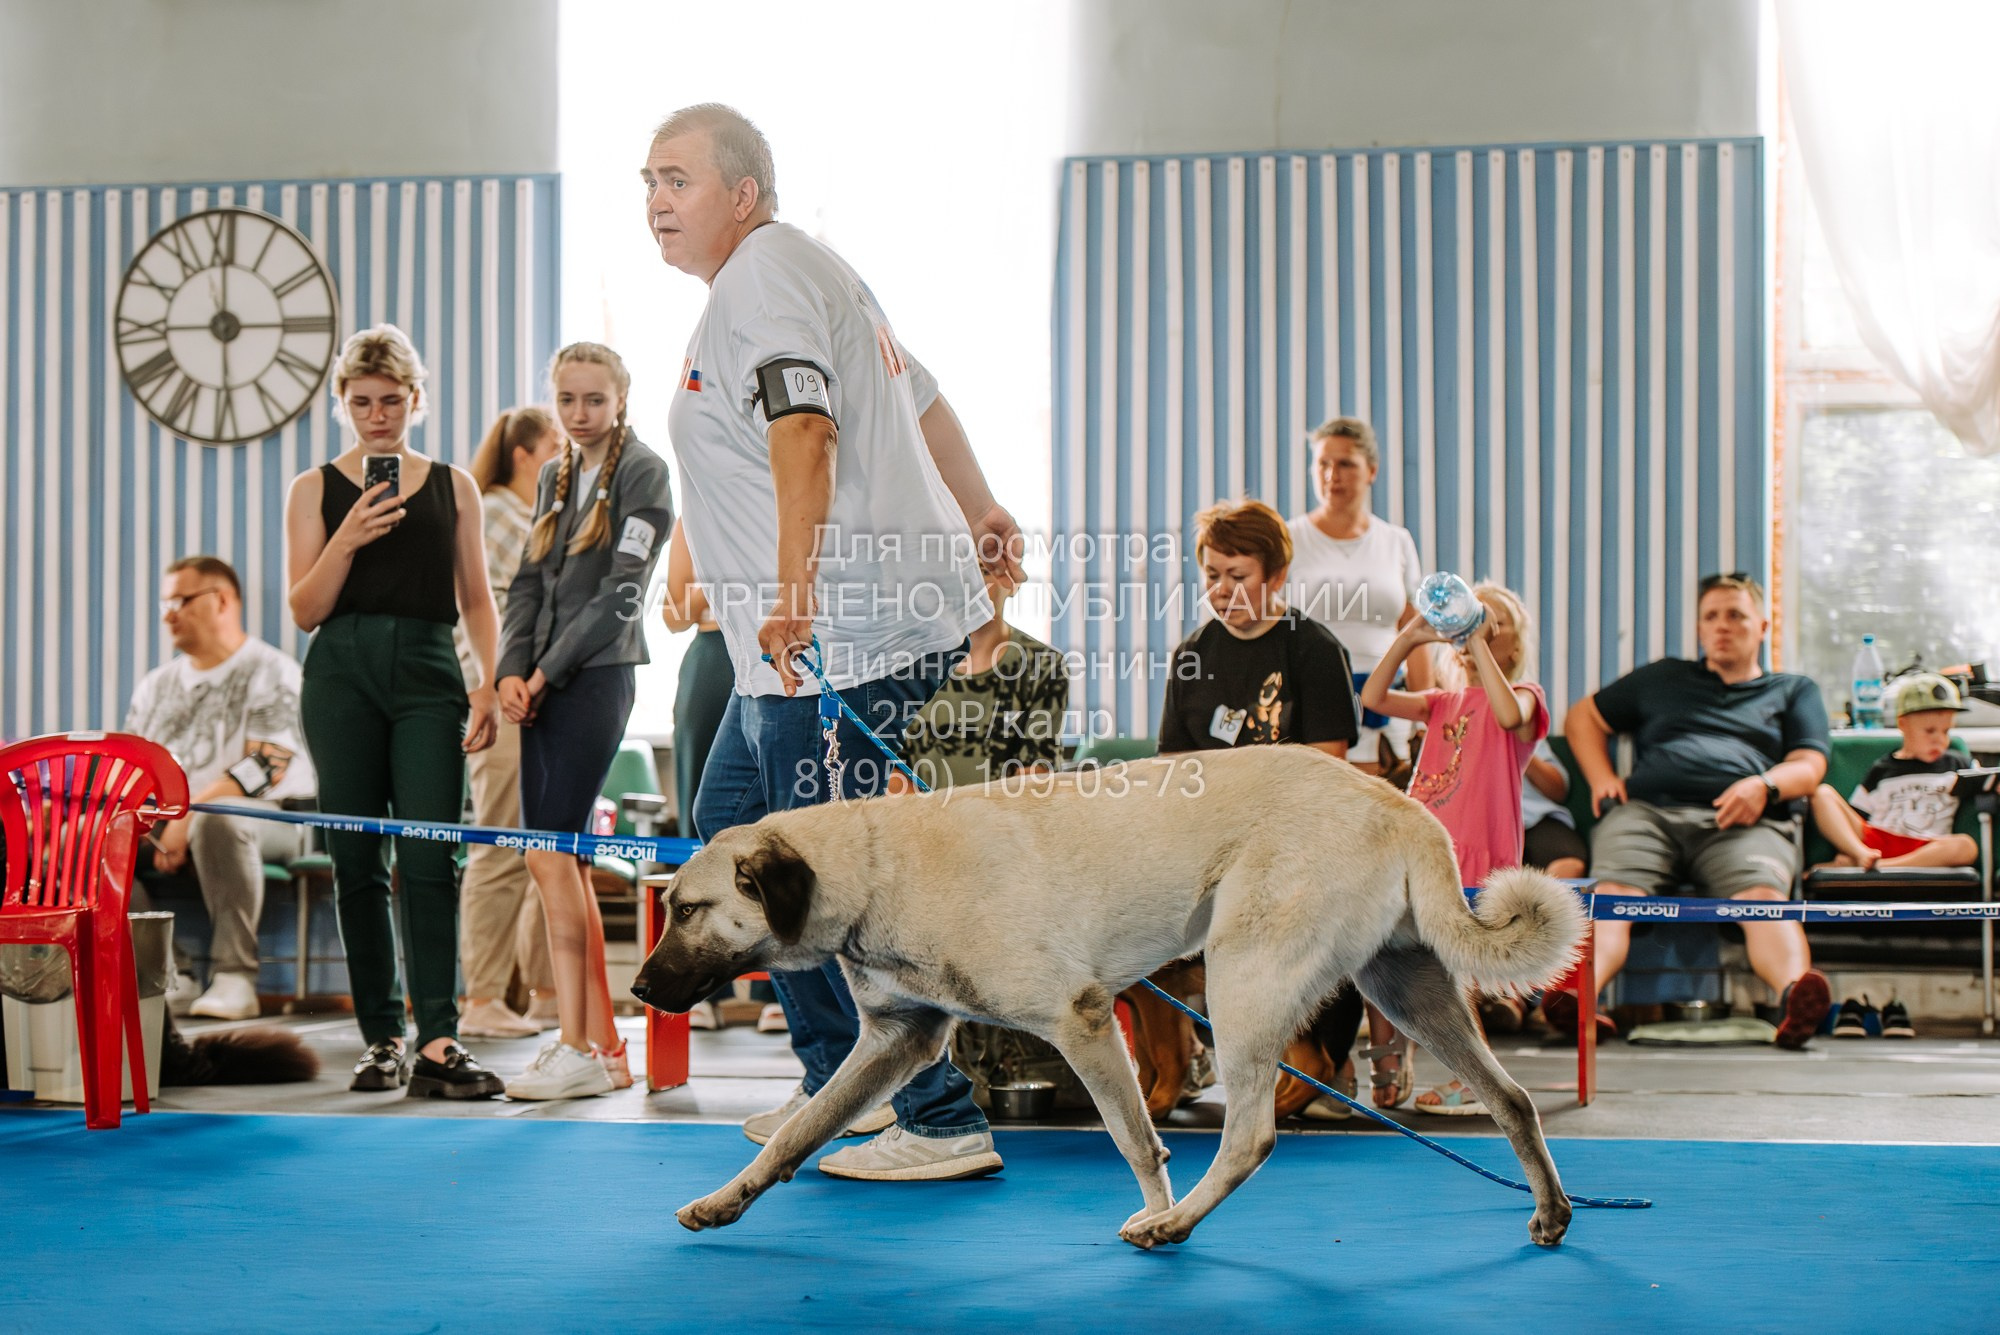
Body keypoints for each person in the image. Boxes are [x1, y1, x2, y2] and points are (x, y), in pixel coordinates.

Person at [646, 101, 1024, 1181]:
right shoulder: (803, 273)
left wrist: (795, 590)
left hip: (833, 642)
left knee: (832, 889)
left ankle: (939, 1118)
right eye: (647, 183)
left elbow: (803, 429)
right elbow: (925, 396)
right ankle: (835, 1084)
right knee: (723, 825)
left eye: (677, 180)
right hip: (798, 650)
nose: (656, 202)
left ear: (744, 194)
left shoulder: (764, 277)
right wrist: (982, 505)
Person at [284, 323, 505, 1099]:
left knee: (429, 854)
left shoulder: (454, 485)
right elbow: (304, 609)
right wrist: (346, 538)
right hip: (339, 671)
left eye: (392, 401)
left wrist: (486, 683)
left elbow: (477, 597)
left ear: (417, 399)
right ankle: (381, 1036)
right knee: (355, 860)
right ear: (343, 402)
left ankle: (439, 1037)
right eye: (361, 401)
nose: (377, 415)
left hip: (428, 668)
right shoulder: (313, 488)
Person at [497, 342, 674, 1101]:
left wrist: (544, 672)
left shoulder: (645, 472)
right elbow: (529, 580)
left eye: (594, 400)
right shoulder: (552, 475)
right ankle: (599, 1048)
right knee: (553, 859)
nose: (579, 414)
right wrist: (510, 668)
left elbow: (620, 595)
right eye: (566, 400)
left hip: (597, 677)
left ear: (621, 398)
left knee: (550, 854)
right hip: (537, 682)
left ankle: (579, 1043)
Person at [1556, 572, 1833, 1050]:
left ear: (1762, 626)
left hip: (1744, 823)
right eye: (1710, 617)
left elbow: (1810, 765)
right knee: (1614, 895)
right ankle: (1577, 1002)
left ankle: (1795, 1002)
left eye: (1735, 615)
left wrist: (1764, 787)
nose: (1721, 626)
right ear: (1700, 629)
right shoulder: (1664, 677)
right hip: (1647, 815)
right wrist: (1602, 778)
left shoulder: (1792, 690)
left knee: (1762, 898)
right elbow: (1582, 717)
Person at [1156, 499, 1363, 1118]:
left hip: (1294, 847)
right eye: (1212, 575)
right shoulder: (1192, 653)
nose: (1222, 591)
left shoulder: (1315, 650)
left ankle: (1321, 1057)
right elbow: (1175, 769)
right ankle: (1180, 1061)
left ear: (1275, 576)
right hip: (1211, 846)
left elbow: (1326, 770)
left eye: (1237, 576)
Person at [1361, 580, 1546, 1115]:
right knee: (1403, 958)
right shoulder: (1442, 702)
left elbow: (1510, 718)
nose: (1482, 628)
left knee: (1456, 971)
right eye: (1475, 620)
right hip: (1423, 851)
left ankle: (1478, 1081)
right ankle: (1400, 1059)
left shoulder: (1527, 697)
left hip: (1479, 850)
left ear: (1514, 643)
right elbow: (1373, 698)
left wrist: (1478, 638)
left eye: (1498, 621)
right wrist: (1413, 637)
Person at [126, 555, 316, 1020]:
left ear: (223, 600)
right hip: (172, 820)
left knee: (222, 819)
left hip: (267, 817)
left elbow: (266, 766)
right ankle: (167, 973)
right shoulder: (156, 685)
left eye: (181, 600)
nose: (169, 612)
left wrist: (187, 813)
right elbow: (132, 771)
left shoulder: (271, 669)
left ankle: (236, 978)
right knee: (94, 843)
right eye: (165, 602)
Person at [455, 406, 564, 1041]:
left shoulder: (536, 517)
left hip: (535, 693)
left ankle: (544, 992)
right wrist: (493, 687)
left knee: (541, 850)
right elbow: (471, 608)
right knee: (498, 845)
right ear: (524, 453)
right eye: (553, 440)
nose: (563, 448)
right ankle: (484, 997)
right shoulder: (497, 510)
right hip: (505, 693)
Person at [660, 518, 783, 1033]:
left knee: (783, 817)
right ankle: (707, 981)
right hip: (714, 656)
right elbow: (673, 615)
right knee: (705, 814)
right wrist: (727, 578)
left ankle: (778, 984)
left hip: (776, 650)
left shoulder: (786, 497)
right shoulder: (695, 516)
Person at [1286, 418, 1433, 778]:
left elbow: (1415, 633)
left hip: (1387, 706)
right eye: (1323, 463)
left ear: (1371, 470)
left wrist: (1425, 715)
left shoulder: (1396, 541)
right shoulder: (1290, 539)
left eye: (1345, 463)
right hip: (1313, 712)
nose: (1331, 474)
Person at [1810, 672, 1978, 871]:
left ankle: (1879, 867)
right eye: (1930, 731)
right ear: (1903, 725)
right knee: (1822, 793)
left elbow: (1986, 781)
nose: (1939, 740)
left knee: (1965, 846)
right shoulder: (1882, 769)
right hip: (1875, 842)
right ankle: (1860, 856)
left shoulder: (1958, 764)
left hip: (1926, 845)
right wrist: (1855, 847)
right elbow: (1858, 815)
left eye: (1946, 731)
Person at [1523, 738, 1589, 882]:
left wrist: (1521, 751)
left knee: (1569, 864)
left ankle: (1543, 905)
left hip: (1533, 819)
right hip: (1479, 824)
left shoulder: (1523, 731)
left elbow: (1559, 792)